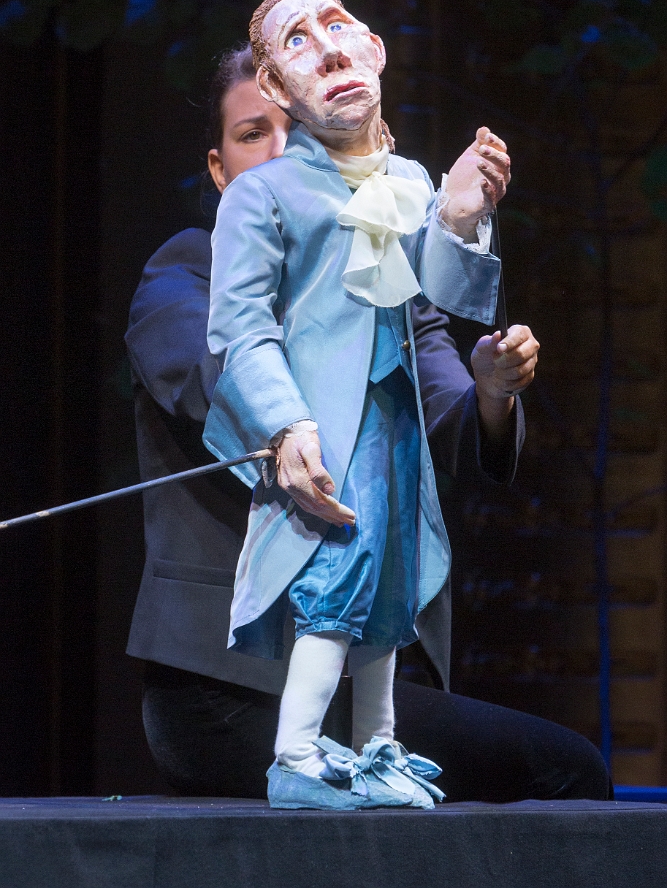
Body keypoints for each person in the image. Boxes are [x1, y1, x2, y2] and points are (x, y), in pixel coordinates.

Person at [126, 42, 608, 803]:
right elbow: (212, 371)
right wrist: (293, 397)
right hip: (230, 689)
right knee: (561, 768)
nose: (283, 152)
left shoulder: (384, 279)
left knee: (564, 766)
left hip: (353, 675)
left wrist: (491, 387)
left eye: (300, 130)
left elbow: (451, 412)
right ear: (220, 171)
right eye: (254, 135)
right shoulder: (189, 270)